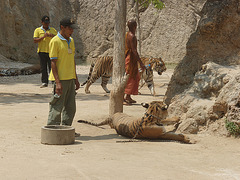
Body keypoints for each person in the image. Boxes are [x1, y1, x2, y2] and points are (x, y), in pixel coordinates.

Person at [47, 17, 80, 137]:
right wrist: (58, 82)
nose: (72, 31)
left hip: (70, 79)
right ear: (62, 28)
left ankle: (66, 129)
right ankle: (51, 131)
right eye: (69, 28)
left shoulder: (71, 41)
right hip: (60, 80)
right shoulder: (55, 41)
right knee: (57, 106)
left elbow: (72, 61)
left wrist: (75, 78)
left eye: (72, 28)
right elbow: (53, 62)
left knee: (70, 107)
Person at [124, 19, 145, 105]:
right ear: (134, 26)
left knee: (135, 77)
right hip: (130, 59)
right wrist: (141, 63)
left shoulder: (127, 34)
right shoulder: (131, 36)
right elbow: (134, 51)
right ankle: (122, 98)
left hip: (130, 58)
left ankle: (128, 96)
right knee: (129, 78)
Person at [33, 15, 57, 88]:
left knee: (52, 67)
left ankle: (53, 81)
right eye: (45, 22)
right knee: (43, 67)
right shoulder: (37, 30)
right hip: (42, 51)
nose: (47, 24)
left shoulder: (53, 30)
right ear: (42, 22)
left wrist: (52, 36)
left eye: (48, 22)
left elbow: (57, 39)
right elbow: (35, 40)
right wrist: (43, 37)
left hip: (51, 51)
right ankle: (44, 82)